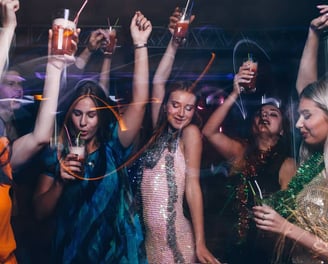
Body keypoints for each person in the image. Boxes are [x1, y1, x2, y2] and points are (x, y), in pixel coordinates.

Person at [33, 11, 151, 263]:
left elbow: (140, 103)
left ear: (101, 117)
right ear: (69, 115)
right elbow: (39, 213)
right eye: (77, 113)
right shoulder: (56, 151)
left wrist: (140, 44)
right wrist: (60, 183)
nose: (83, 122)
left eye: (92, 115)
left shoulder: (113, 145)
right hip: (71, 253)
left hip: (113, 253)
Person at [133, 8, 220, 264]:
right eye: (175, 105)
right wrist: (173, 42)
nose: (181, 113)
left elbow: (193, 187)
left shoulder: (190, 135)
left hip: (177, 242)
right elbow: (158, 79)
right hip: (149, 244)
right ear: (165, 105)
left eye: (189, 108)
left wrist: (201, 243)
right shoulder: (155, 131)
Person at [0, 0, 75, 263]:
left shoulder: (2, 151)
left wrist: (54, 67)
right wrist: (8, 29)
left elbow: (40, 137)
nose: (18, 91)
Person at [253, 7, 328, 263]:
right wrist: (313, 34)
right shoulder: (317, 160)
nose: (297, 124)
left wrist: (284, 227)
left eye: (307, 116)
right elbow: (305, 89)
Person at [202, 62, 297, 263]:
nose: (264, 115)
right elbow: (208, 132)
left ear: (282, 131)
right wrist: (234, 93)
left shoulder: (287, 164)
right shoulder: (240, 153)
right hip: (231, 247)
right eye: (260, 113)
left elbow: (290, 215)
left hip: (265, 251)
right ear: (253, 125)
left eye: (273, 114)